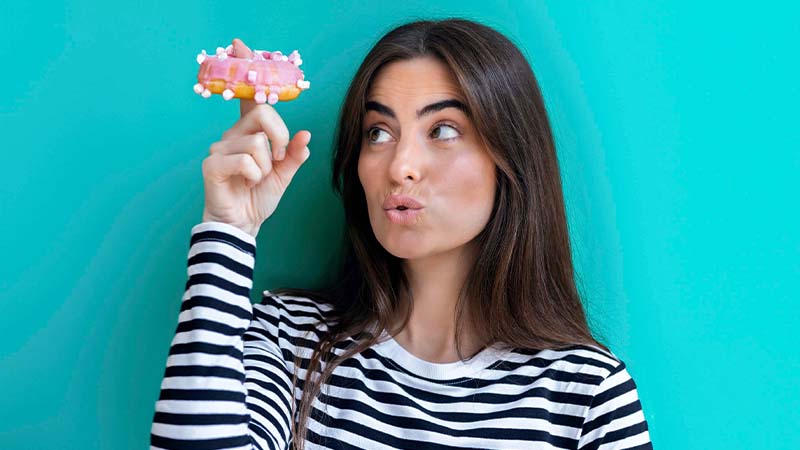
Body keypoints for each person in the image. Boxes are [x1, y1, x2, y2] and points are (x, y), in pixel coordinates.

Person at [151, 18, 653, 450]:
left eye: (443, 130)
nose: (401, 166)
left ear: (511, 160)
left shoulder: (587, 394)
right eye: (378, 133)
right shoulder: (293, 340)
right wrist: (228, 230)